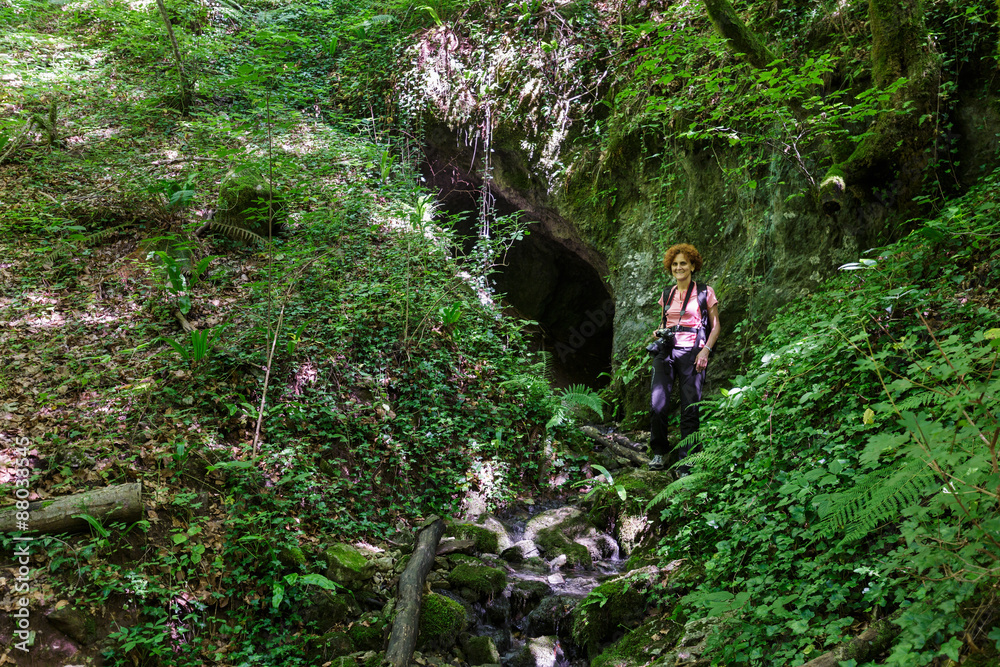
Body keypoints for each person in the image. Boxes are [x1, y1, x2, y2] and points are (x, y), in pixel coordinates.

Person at [649, 243, 720, 473]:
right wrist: (658, 331)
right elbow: (664, 322)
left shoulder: (704, 292)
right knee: (657, 404)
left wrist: (705, 350)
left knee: (690, 407)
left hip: (693, 352)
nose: (679, 267)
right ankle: (659, 453)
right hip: (666, 351)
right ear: (671, 267)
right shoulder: (666, 294)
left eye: (683, 263)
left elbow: (716, 326)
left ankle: (687, 459)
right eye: (675, 264)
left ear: (692, 265)